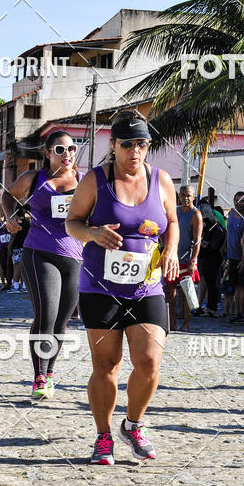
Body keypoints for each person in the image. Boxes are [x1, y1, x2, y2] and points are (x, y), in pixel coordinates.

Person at [66, 109, 179, 465]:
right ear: (113, 144)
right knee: (107, 364)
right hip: (101, 287)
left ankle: (133, 425)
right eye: (127, 144)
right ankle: (103, 436)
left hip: (147, 286)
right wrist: (93, 233)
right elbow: (72, 223)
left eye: (142, 144)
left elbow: (172, 221)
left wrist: (171, 250)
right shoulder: (94, 181)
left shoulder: (161, 180)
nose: (135, 151)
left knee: (149, 361)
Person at [3, 130, 83, 400]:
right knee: (46, 314)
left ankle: (49, 373)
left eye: (71, 148)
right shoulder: (34, 178)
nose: (67, 154)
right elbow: (8, 196)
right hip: (40, 252)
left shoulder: (85, 181)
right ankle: (38, 376)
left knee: (61, 320)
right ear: (48, 154)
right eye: (60, 150)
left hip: (75, 256)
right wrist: (10, 217)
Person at [164, 185, 202, 331]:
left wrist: (193, 260)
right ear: (178, 196)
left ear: (193, 197)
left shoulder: (195, 214)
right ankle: (171, 322)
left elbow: (197, 240)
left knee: (186, 292)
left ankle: (186, 322)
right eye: (182, 195)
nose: (185, 198)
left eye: (188, 195)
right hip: (172, 257)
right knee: (170, 291)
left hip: (187, 259)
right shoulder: (175, 211)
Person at [223, 191, 244, 323]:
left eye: (242, 201)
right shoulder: (231, 213)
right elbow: (228, 231)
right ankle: (238, 313)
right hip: (231, 255)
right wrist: (224, 245)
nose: (239, 203)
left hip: (242, 256)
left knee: (242, 286)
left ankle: (242, 313)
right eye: (237, 200)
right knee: (235, 286)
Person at [198, 201, 226, 317]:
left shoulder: (203, 223)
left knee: (209, 282)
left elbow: (198, 238)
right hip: (216, 255)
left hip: (207, 255)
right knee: (212, 282)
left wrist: (203, 243)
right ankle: (211, 307)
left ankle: (211, 308)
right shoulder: (216, 222)